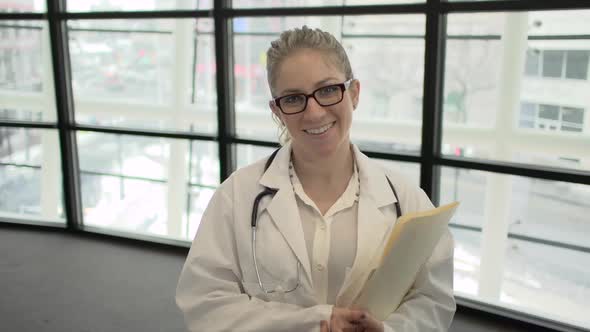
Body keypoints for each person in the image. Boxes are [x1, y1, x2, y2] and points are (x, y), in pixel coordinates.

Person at [176, 25, 456, 332]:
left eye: (327, 90)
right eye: (294, 98)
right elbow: (205, 303)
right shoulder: (236, 197)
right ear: (277, 111)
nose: (313, 112)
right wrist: (313, 322)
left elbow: (433, 300)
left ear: (354, 93)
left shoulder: (406, 200)